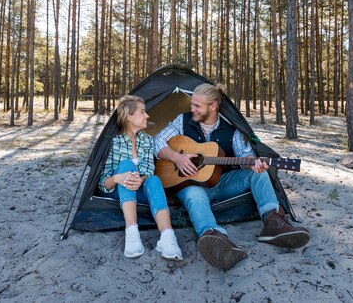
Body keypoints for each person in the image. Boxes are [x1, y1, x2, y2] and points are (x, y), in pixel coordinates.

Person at [154, 83, 309, 269]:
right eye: (192, 104)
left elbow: (244, 155)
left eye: (197, 105)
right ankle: (213, 235)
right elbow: (158, 141)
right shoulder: (182, 121)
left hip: (222, 183)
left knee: (258, 175)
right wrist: (177, 157)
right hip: (191, 185)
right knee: (195, 195)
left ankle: (272, 222)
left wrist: (253, 163)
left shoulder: (231, 128)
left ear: (213, 106)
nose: (191, 108)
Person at [99, 95, 183, 261]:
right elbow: (103, 183)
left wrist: (141, 180)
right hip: (118, 191)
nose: (148, 116)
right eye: (142, 112)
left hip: (141, 190)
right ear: (129, 117)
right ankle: (132, 232)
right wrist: (117, 178)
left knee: (154, 180)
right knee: (126, 166)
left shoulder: (147, 141)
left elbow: (149, 172)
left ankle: (167, 237)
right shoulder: (113, 142)